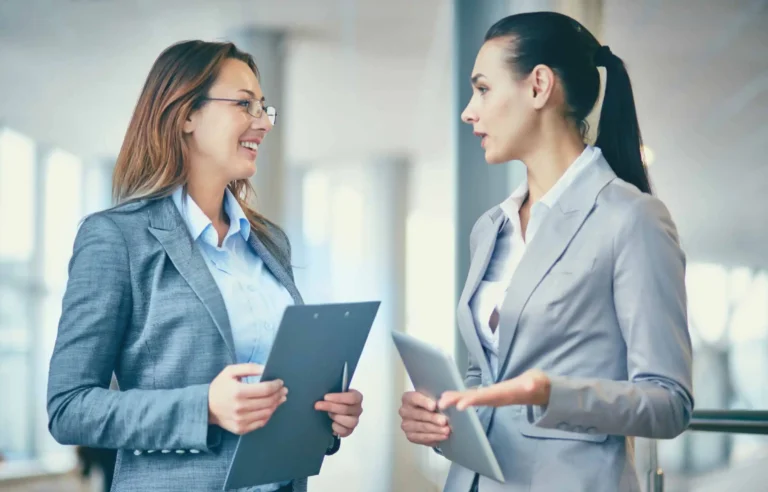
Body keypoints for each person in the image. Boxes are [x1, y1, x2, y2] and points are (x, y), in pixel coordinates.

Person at [46, 40, 364, 492]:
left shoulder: (270, 244)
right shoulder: (116, 238)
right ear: (186, 115)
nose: (263, 123)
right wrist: (205, 408)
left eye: (264, 108)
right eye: (244, 104)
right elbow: (68, 408)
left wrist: (325, 415)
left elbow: (275, 390)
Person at [398, 11, 693, 492]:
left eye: (483, 89)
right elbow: (486, 376)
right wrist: (442, 416)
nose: (468, 111)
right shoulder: (490, 229)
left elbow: (669, 401)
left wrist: (553, 394)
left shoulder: (631, 219)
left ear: (538, 86)